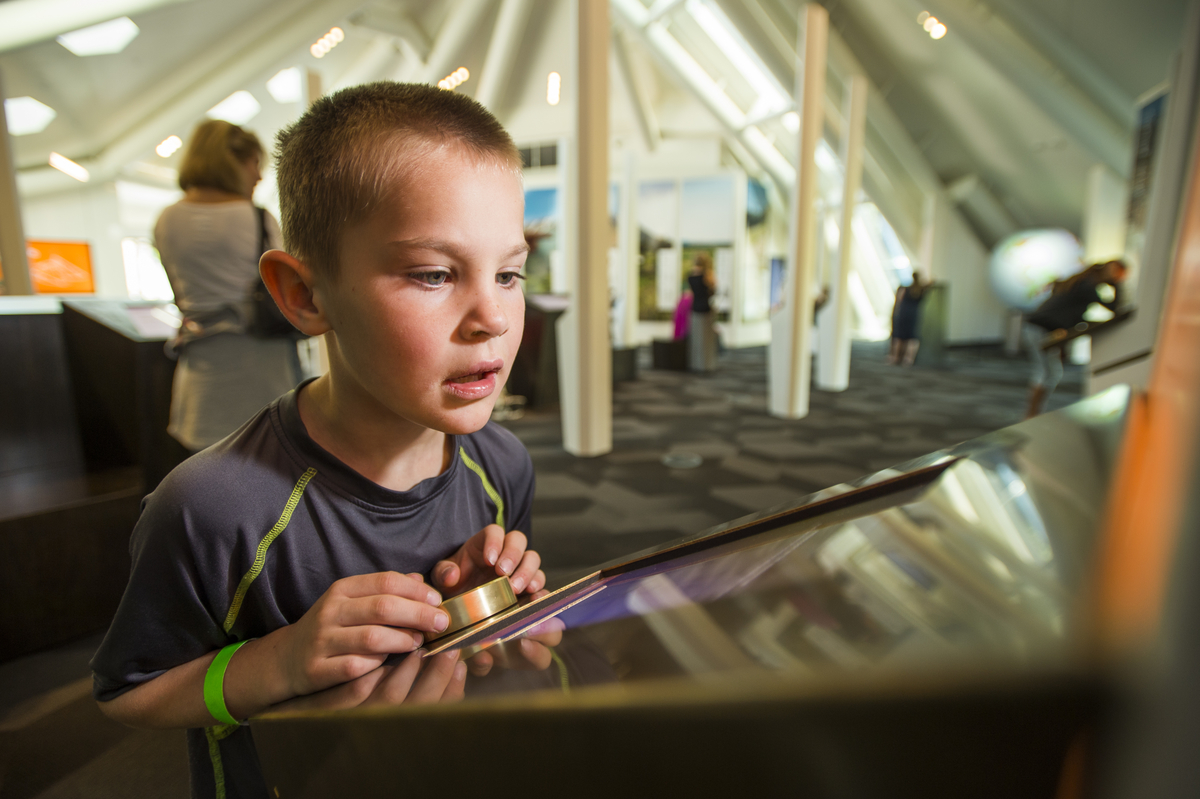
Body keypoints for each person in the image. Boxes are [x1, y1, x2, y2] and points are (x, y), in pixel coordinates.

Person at [90, 83, 546, 799]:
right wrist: (278, 663)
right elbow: (129, 690)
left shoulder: (503, 467)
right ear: (305, 295)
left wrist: (496, 613)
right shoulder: (211, 506)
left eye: (510, 272)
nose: (492, 315)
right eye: (433, 273)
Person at [156, 119, 303, 452]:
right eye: (254, 164)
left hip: (200, 374)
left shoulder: (166, 220)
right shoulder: (256, 217)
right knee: (270, 462)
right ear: (232, 161)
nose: (258, 176)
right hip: (261, 367)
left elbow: (180, 295)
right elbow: (287, 290)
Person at [1022, 259, 1128, 417]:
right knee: (1046, 373)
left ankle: (1034, 412)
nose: (1118, 277)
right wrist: (1117, 285)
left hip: (1039, 327)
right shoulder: (1088, 285)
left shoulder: (1084, 281)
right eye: (1118, 274)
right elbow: (1114, 308)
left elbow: (1073, 312)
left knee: (1051, 373)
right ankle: (1031, 414)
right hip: (1039, 328)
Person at [888, 271, 928, 366]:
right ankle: (908, 359)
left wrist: (894, 313)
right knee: (912, 337)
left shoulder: (905, 288)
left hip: (903, 314)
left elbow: (898, 301)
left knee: (898, 336)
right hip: (914, 315)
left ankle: (895, 357)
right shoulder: (921, 289)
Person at [687, 252, 717, 371]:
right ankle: (706, 364)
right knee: (707, 339)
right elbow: (712, 290)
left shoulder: (691, 275)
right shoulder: (707, 275)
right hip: (705, 309)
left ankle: (695, 363)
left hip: (694, 308)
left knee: (696, 338)